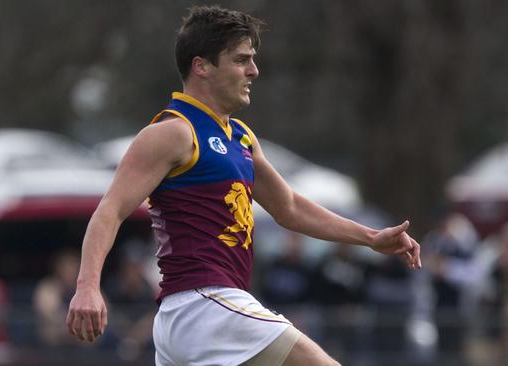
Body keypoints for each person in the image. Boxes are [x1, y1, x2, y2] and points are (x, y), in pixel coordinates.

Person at [66, 5, 422, 365]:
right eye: (241, 60)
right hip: (203, 304)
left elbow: (290, 208)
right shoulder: (173, 132)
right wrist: (87, 286)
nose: (254, 70)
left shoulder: (241, 137)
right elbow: (110, 211)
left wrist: (370, 238)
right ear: (201, 66)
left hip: (198, 318)